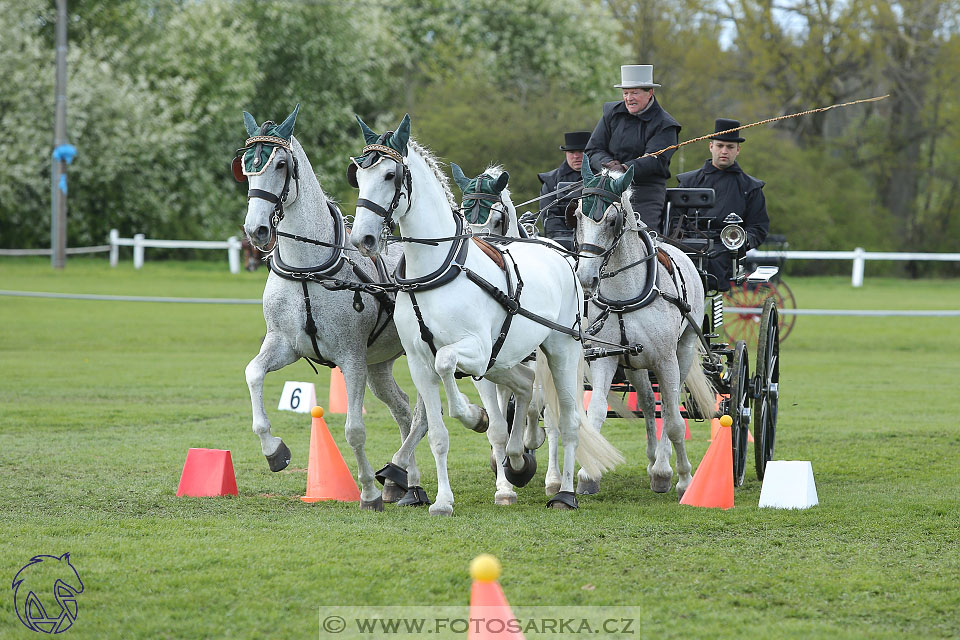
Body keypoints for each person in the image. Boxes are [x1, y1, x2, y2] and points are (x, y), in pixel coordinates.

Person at [675, 118, 770, 291]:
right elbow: (674, 219)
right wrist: (678, 238)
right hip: (687, 244)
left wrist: (739, 241)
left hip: (726, 249)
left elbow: (758, 227)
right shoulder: (688, 182)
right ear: (711, 146)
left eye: (730, 147)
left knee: (712, 263)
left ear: (738, 150)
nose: (724, 151)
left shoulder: (750, 187)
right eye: (720, 146)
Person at [584, 64, 681, 231]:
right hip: (606, 186)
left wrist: (625, 168)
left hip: (645, 192)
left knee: (641, 234)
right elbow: (593, 149)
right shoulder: (611, 113)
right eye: (625, 93)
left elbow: (655, 159)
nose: (629, 98)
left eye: (635, 93)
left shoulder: (665, 124)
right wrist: (609, 165)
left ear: (650, 93)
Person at [537, 131, 590, 250]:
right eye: (571, 152)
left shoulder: (604, 179)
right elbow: (550, 216)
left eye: (581, 151)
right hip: (563, 245)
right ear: (566, 153)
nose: (576, 156)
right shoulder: (551, 181)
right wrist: (569, 243)